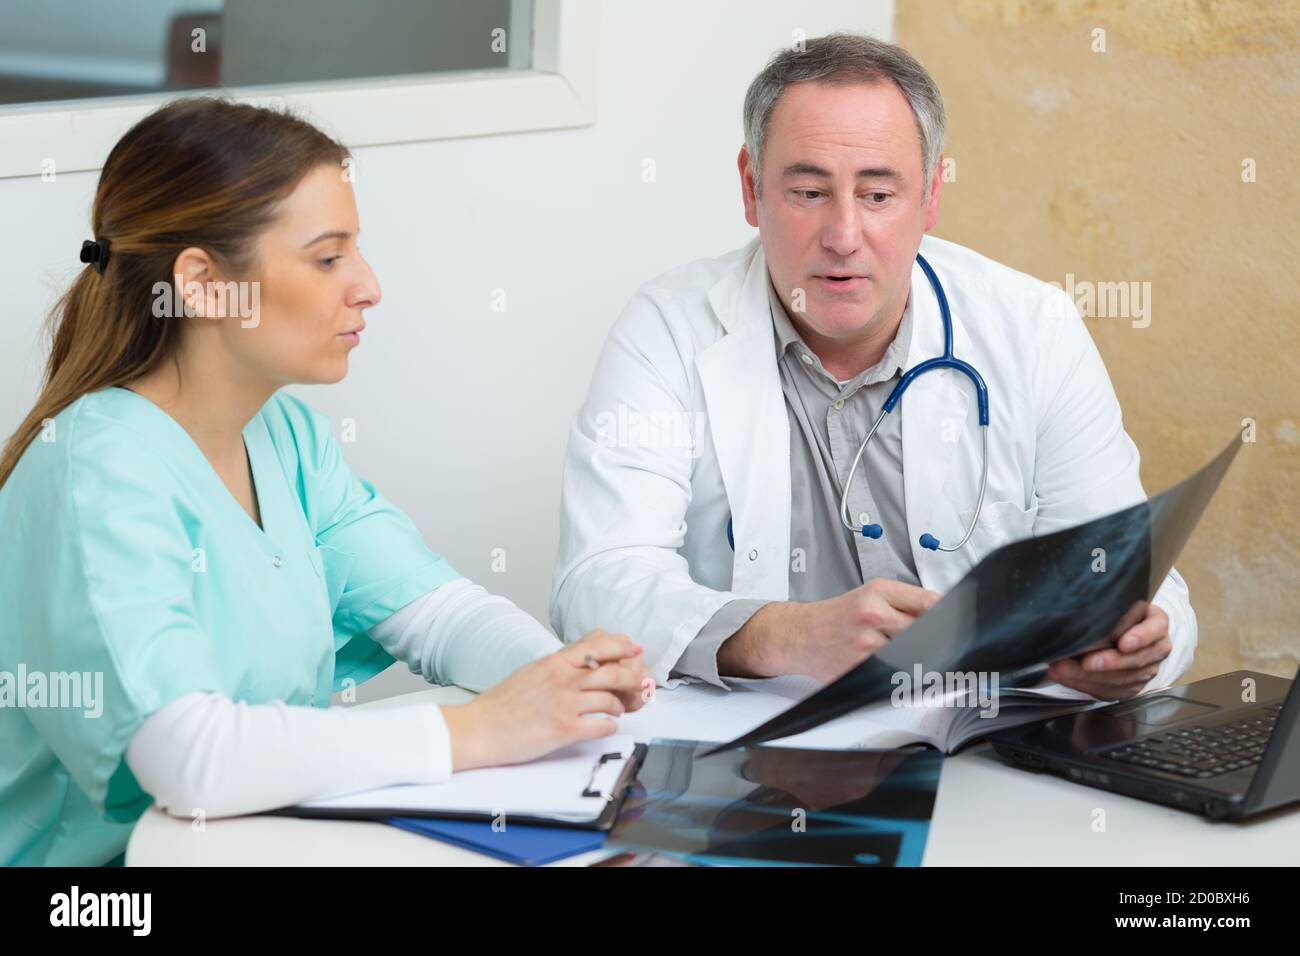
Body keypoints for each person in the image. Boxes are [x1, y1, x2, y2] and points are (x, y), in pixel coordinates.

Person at [0, 98, 649, 867]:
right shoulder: (96, 472)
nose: (368, 286)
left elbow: (439, 616)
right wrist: (480, 731)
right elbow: (186, 757)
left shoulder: (288, 439)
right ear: (204, 284)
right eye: (328, 257)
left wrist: (564, 681)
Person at [550, 33, 1193, 698]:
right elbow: (595, 584)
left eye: (879, 195)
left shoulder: (1035, 331)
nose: (843, 236)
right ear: (751, 187)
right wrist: (780, 635)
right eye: (808, 192)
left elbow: (1126, 570)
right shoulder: (667, 330)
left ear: (932, 196)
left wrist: (1143, 646)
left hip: (986, 743)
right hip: (749, 754)